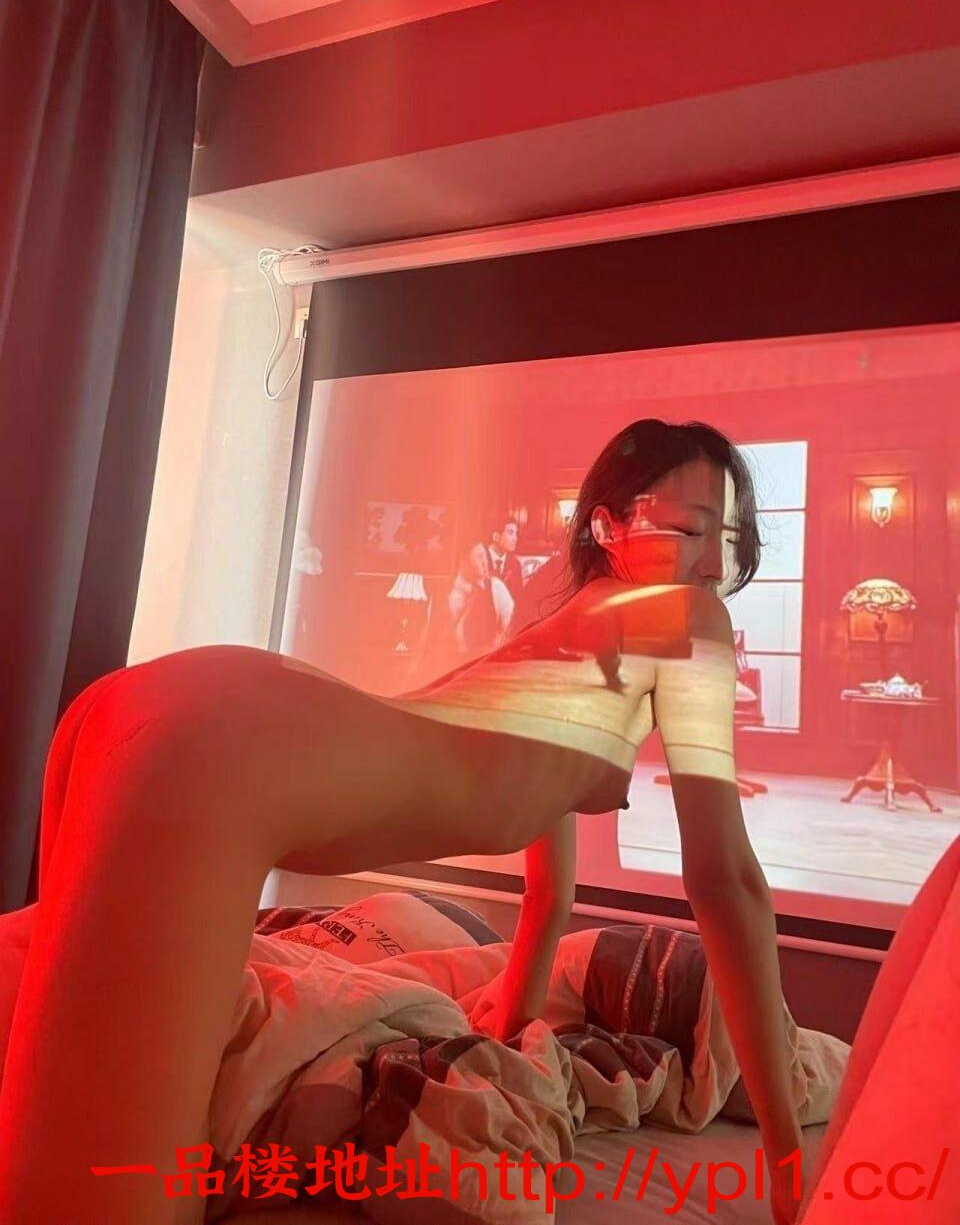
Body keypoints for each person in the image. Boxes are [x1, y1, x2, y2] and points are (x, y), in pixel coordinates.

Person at [0, 419, 803, 1225]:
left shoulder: (555, 646)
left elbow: (548, 897)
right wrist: (787, 1158)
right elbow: (726, 881)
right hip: (218, 750)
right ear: (607, 526)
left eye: (729, 537)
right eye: (689, 531)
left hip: (152, 712)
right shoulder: (683, 618)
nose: (711, 563)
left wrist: (509, 1014)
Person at [486, 515, 525, 608]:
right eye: (510, 533)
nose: (515, 538)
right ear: (496, 537)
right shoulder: (480, 558)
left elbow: (519, 601)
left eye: (516, 533)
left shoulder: (515, 565)